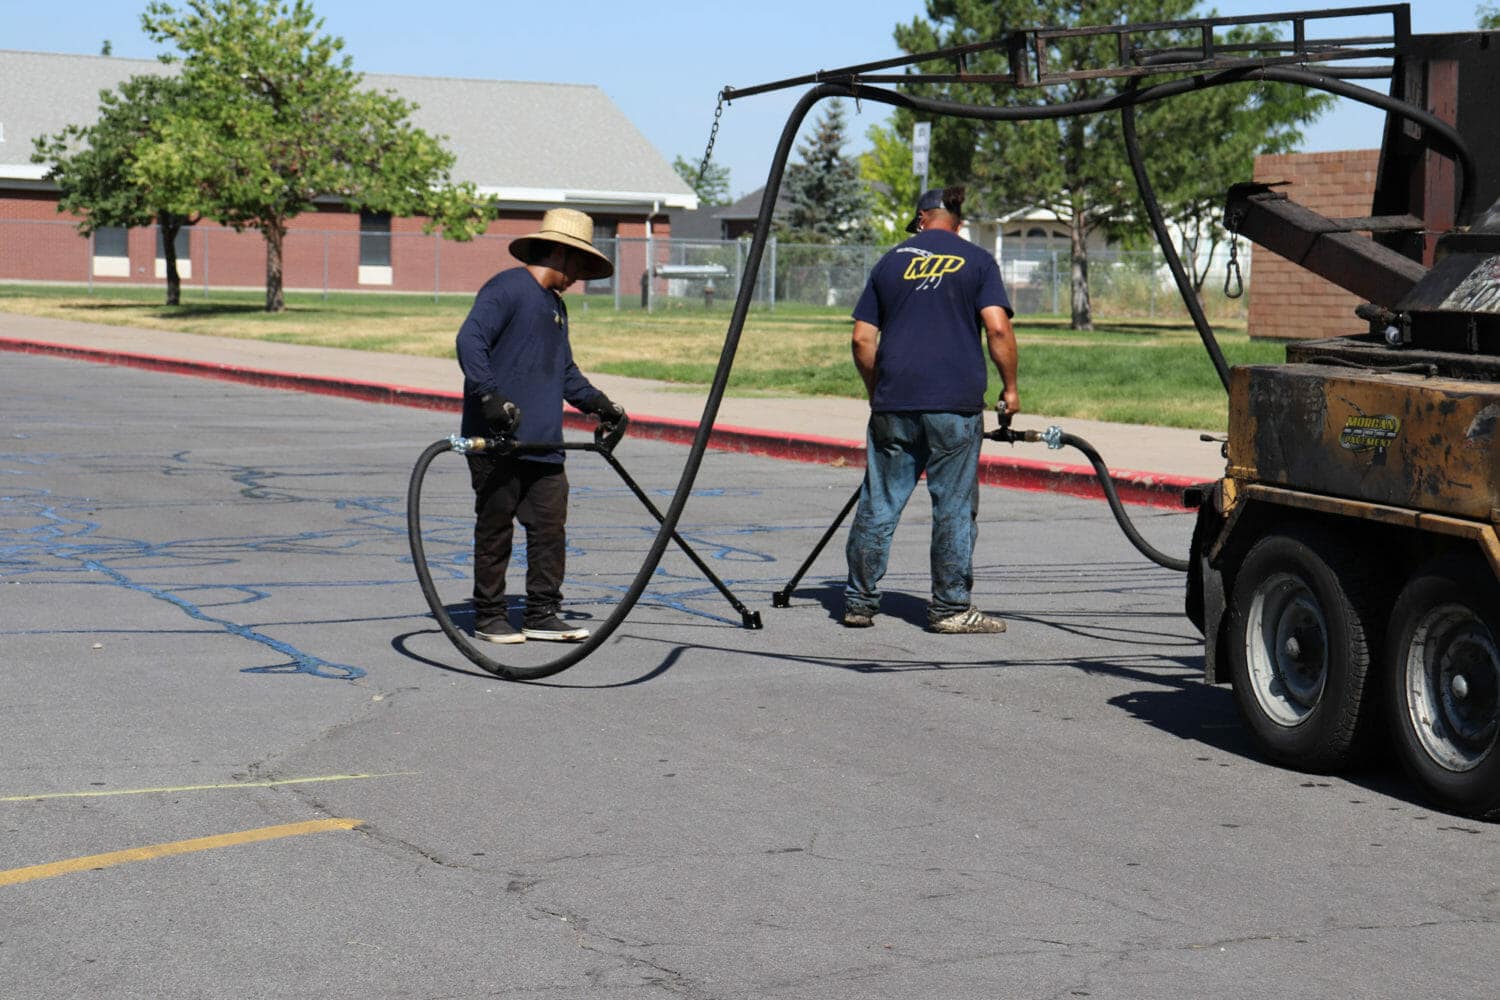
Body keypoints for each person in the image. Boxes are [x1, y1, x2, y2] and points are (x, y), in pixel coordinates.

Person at [842, 186, 1019, 634]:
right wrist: (1011, 388)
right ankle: (950, 609)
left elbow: (862, 339)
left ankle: (860, 602)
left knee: (879, 501)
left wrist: (876, 388)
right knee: (953, 507)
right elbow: (997, 328)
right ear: (957, 222)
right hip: (954, 405)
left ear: (922, 219)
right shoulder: (978, 261)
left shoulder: (889, 263)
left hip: (894, 402)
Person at [455, 208, 625, 644]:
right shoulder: (507, 288)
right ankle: (490, 614)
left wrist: (601, 405)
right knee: (496, 528)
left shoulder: (555, 306)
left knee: (550, 529)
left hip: (544, 443)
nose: (580, 276)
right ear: (560, 253)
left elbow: (564, 372)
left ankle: (541, 612)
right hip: (498, 441)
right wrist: (490, 395)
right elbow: (470, 339)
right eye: (580, 265)